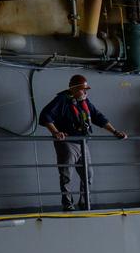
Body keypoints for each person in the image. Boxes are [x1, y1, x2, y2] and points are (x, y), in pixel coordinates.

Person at [39, 74, 128, 211]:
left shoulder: (84, 101)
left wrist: (115, 131)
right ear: (73, 89)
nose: (85, 92)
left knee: (88, 174)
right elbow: (45, 115)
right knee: (66, 175)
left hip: (83, 142)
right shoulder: (62, 99)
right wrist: (56, 132)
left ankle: (84, 200)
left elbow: (98, 117)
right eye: (82, 89)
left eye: (86, 89)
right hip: (67, 143)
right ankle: (68, 203)